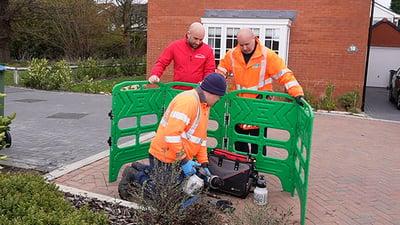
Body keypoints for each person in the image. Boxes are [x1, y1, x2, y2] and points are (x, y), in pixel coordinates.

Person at [119, 72, 227, 202]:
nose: (218, 100)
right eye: (218, 97)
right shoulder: (188, 102)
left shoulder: (204, 105)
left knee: (181, 188)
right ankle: (134, 175)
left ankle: (144, 170)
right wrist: (184, 161)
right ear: (212, 93)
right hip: (165, 156)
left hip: (178, 157)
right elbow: (171, 134)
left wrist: (203, 162)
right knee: (165, 195)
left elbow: (200, 138)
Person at [215, 28, 304, 155]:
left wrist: (297, 93)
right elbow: (220, 73)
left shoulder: (267, 55)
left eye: (247, 44)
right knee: (239, 142)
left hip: (260, 108)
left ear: (254, 39)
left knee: (259, 144)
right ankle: (242, 170)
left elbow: (285, 75)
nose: (244, 48)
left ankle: (256, 170)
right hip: (240, 107)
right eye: (241, 45)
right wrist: (211, 88)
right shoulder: (232, 55)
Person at [148, 22, 216, 90]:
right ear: (188, 34)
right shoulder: (175, 46)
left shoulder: (208, 50)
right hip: (177, 90)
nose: (198, 42)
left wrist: (206, 82)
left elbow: (210, 70)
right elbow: (162, 63)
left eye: (201, 40)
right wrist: (155, 74)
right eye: (195, 38)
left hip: (197, 91)